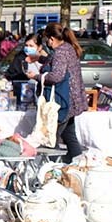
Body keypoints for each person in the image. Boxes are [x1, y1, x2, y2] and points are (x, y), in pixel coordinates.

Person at [34, 23, 86, 164]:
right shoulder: (67, 48)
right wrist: (40, 59)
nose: (46, 43)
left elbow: (57, 76)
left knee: (51, 137)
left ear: (51, 38)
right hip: (72, 99)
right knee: (69, 134)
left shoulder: (60, 52)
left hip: (64, 101)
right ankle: (77, 164)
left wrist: (36, 77)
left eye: (46, 40)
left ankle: (52, 169)